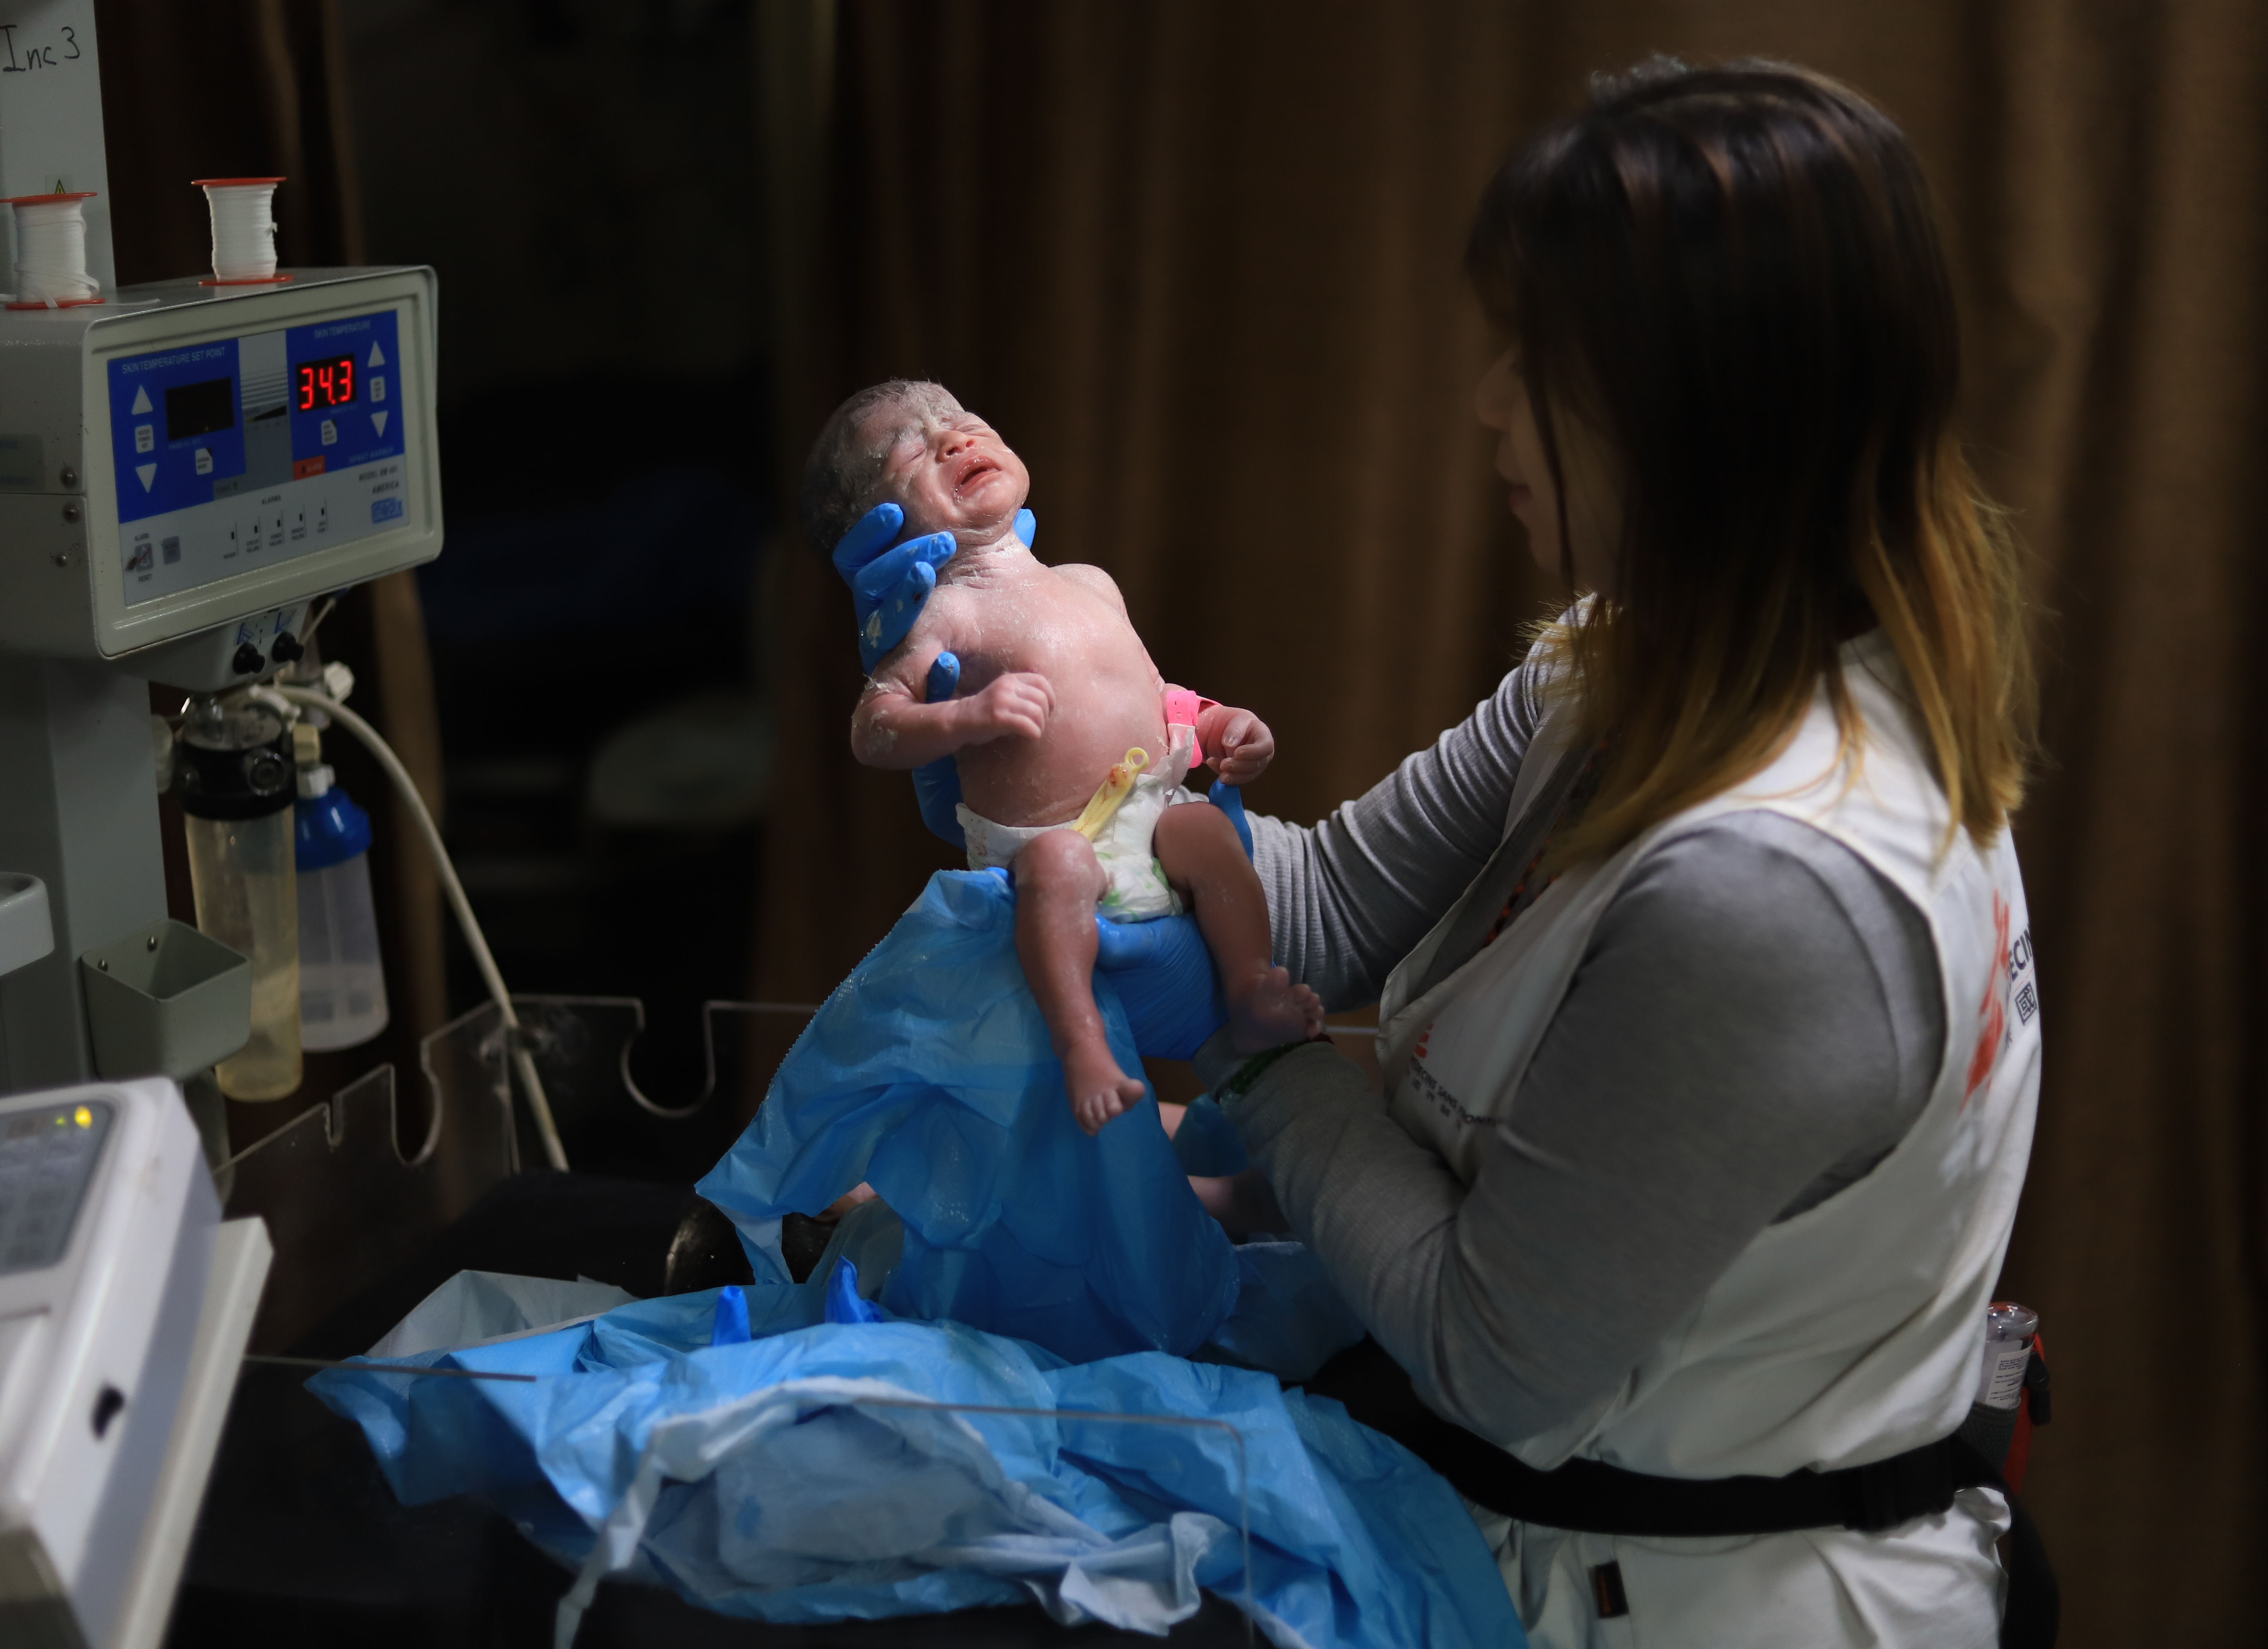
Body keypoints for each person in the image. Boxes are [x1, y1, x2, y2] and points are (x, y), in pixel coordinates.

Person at [837, 56, 2045, 1649]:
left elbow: (1496, 1350)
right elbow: (1325, 904)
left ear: (1690, 419)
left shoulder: (1778, 893)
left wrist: (1267, 1079)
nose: (1487, 401)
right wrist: (1098, 802)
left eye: (1535, 360)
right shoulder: (1625, 656)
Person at [806, 381, 1322, 1133]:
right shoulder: (943, 612)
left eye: (964, 421)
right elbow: (873, 727)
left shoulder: (1087, 583)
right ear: (883, 530)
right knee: (1057, 873)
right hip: (1054, 842)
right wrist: (961, 716)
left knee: (1207, 834)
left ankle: (1249, 991)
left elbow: (1149, 692)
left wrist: (1217, 726)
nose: (953, 440)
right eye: (910, 448)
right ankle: (1082, 1045)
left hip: (1149, 815)